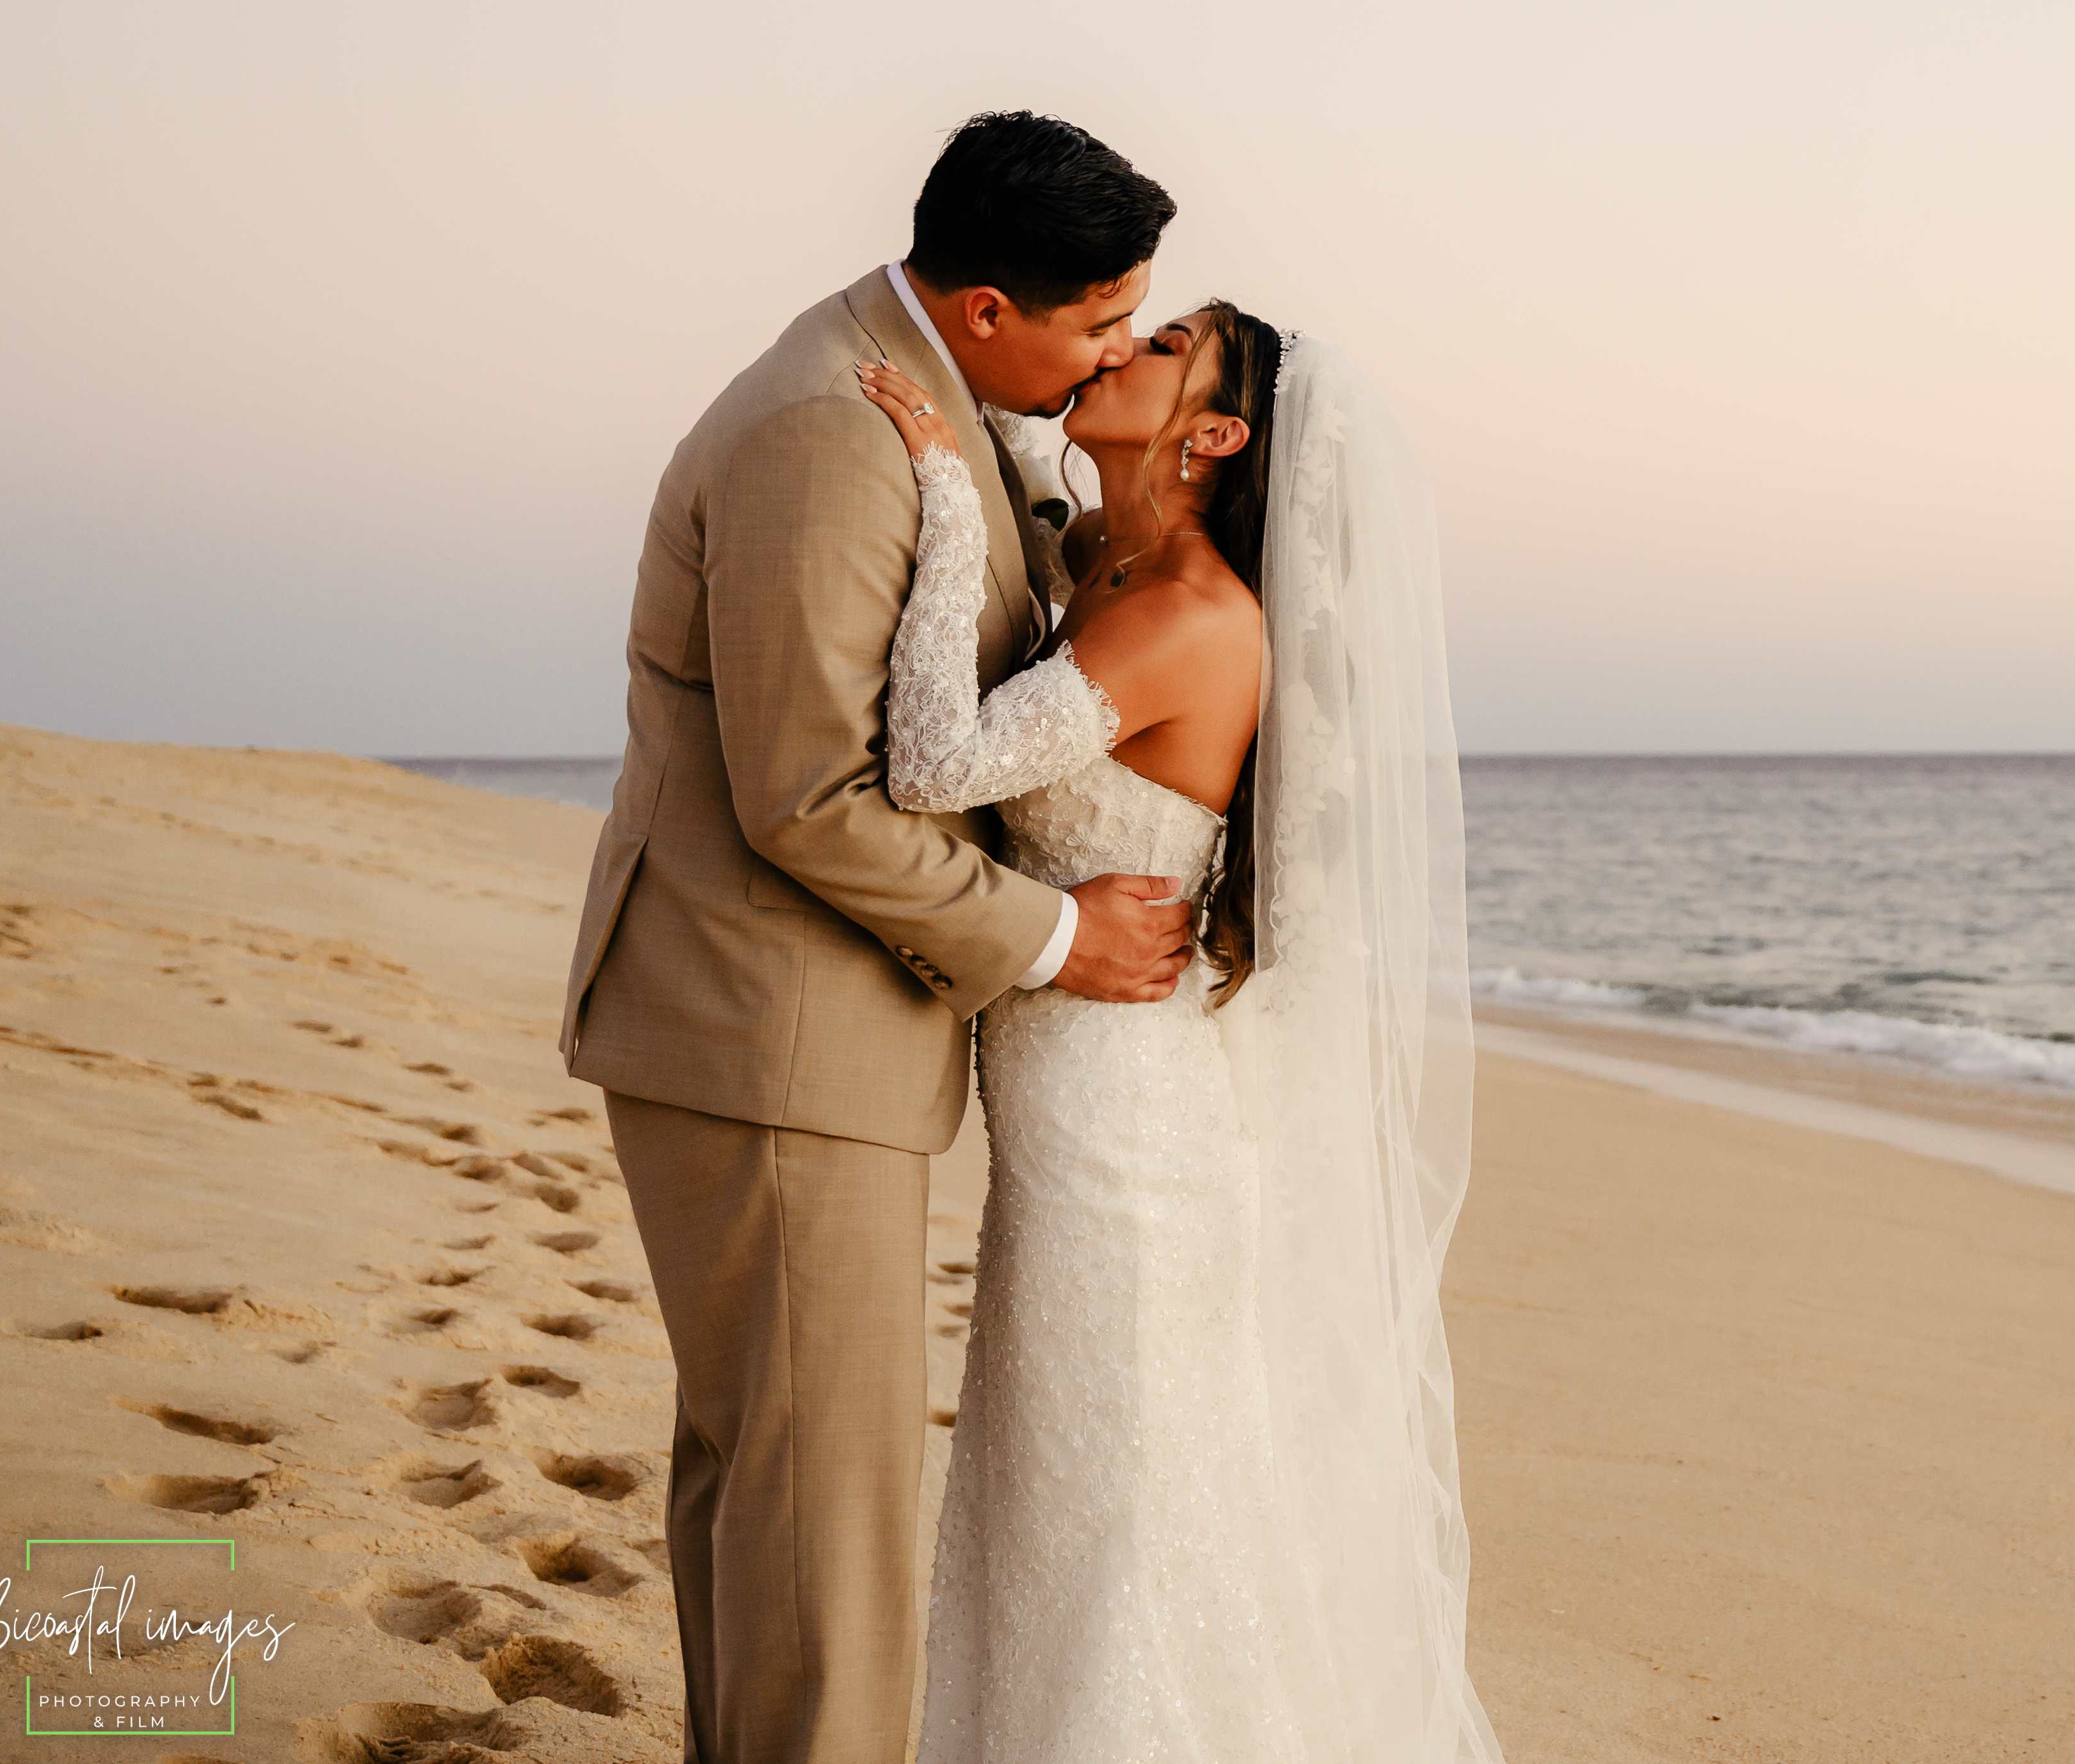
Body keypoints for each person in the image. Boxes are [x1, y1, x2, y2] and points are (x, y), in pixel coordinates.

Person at [558, 112, 1203, 1764]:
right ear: (985, 308)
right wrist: (1055, 940)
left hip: (779, 1034)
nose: (1121, 348)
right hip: (768, 1033)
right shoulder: (822, 433)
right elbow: (809, 799)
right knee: (823, 1529)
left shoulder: (923, 395)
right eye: (1098, 324)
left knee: (768, 1495)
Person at [861, 293, 1500, 1762]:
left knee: (1115, 1520)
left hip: (1123, 1127)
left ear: (1213, 432)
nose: (1114, 349)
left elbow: (932, 766)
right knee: (1058, 1499)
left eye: (1156, 348)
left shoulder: (1191, 613)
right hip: (1073, 1090)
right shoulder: (1100, 559)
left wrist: (946, 509)